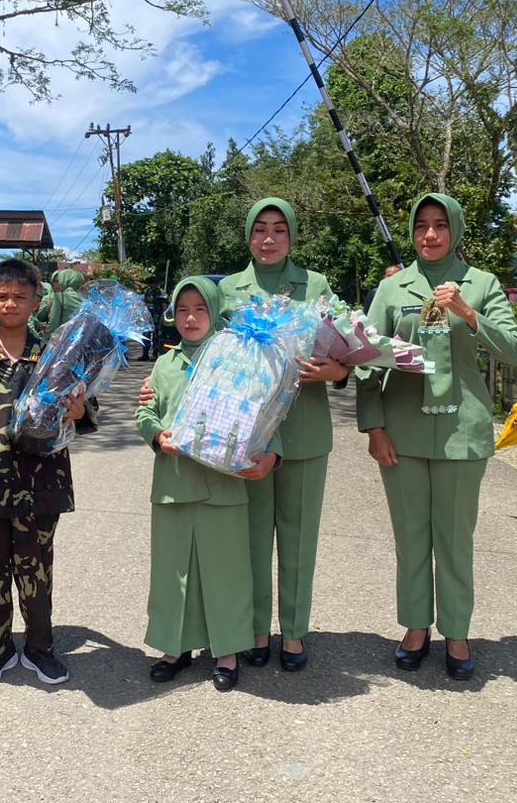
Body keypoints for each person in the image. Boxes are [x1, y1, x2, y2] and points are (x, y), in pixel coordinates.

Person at [357, 193, 517, 680]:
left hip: (461, 432)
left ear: (455, 229)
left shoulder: (482, 284)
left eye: (440, 225)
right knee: (410, 538)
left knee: (454, 540)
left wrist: (469, 313)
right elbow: (365, 358)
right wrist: (373, 426)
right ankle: (415, 628)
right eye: (421, 225)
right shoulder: (393, 287)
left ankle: (456, 631)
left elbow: (514, 350)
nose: (430, 234)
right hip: (402, 431)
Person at [217, 198, 349, 671]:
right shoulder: (229, 289)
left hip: (305, 430)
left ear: (291, 236)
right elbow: (209, 353)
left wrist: (336, 372)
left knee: (299, 540)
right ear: (248, 236)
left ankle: (293, 633)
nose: (268, 239)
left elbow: (347, 348)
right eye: (260, 229)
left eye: (279, 229)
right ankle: (256, 630)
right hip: (249, 434)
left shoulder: (316, 285)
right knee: (251, 539)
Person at [0, 259, 87, 687]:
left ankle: (40, 648)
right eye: (2, 296)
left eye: (20, 296)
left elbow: (83, 404)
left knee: (36, 570)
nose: (11, 304)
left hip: (39, 483)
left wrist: (80, 411)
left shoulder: (54, 352)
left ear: (36, 301)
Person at [135, 276, 277, 692]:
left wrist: (272, 454)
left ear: (215, 313)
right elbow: (145, 412)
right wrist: (157, 435)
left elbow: (266, 412)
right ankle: (174, 648)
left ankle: (227, 651)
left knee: (226, 572)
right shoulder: (165, 364)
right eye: (182, 310)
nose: (191, 318)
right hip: (174, 483)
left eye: (200, 309)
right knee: (172, 572)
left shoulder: (238, 360)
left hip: (223, 485)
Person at [43, 268, 85, 334]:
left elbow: (53, 321)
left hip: (63, 335)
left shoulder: (60, 296)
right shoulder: (85, 297)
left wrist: (45, 334)